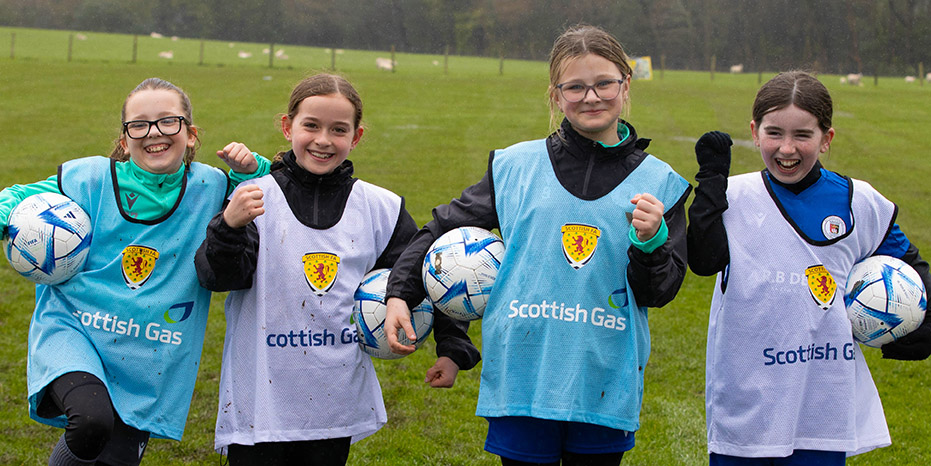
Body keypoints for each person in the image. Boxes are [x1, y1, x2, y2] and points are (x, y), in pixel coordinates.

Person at [383, 25, 692, 466]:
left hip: (603, 376)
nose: (591, 97)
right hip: (522, 373)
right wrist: (400, 293)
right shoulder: (515, 166)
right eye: (575, 87)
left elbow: (658, 293)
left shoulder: (661, 183)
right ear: (555, 94)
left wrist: (652, 242)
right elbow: (439, 229)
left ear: (626, 84)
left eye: (604, 83)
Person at [194, 73, 480, 466]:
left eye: (338, 129)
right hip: (260, 399)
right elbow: (218, 277)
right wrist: (229, 226)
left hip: (334, 398)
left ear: (356, 136)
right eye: (311, 125)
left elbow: (428, 276)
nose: (323, 140)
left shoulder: (380, 208)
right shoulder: (256, 197)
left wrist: (452, 349)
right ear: (287, 126)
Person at [0, 77, 271, 465]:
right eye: (138, 125)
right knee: (91, 422)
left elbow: (269, 186)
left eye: (168, 122)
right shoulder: (87, 179)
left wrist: (250, 167)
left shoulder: (211, 187)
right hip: (74, 331)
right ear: (125, 140)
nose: (153, 133)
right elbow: (16, 199)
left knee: (111, 453)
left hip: (149, 355)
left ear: (191, 134)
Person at [688, 70, 931, 465]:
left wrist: (915, 327)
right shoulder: (735, 195)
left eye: (803, 135)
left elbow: (912, 271)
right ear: (754, 131)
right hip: (747, 398)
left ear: (826, 138)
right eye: (774, 133)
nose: (787, 149)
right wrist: (711, 186)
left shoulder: (859, 201)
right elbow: (702, 260)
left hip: (823, 400)